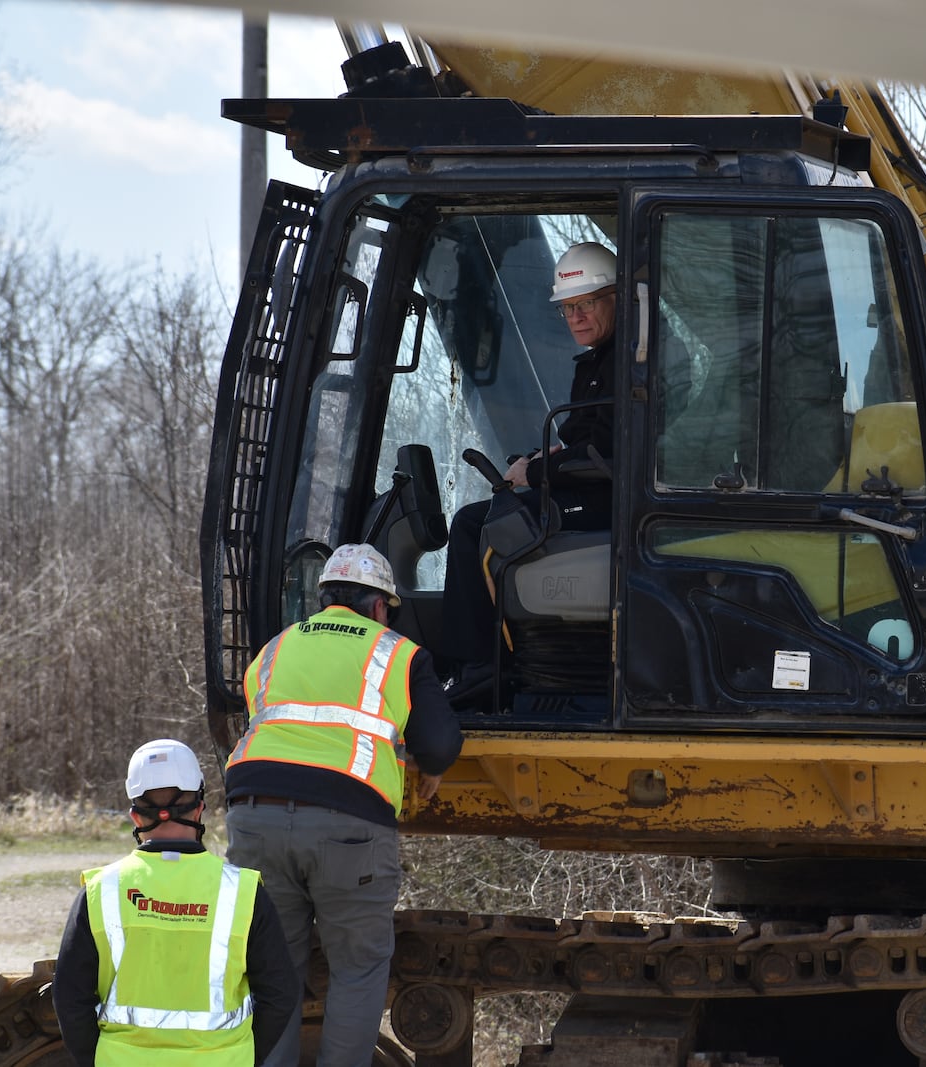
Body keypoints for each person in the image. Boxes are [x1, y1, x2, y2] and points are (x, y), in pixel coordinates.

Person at [223, 543, 465, 1067]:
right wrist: (432, 767)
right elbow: (439, 743)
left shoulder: (275, 649)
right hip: (347, 825)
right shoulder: (397, 653)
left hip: (253, 815)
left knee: (273, 971)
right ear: (379, 606)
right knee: (357, 969)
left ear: (323, 599)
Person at [52, 738, 298, 1067]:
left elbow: (69, 998)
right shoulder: (243, 892)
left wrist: (101, 1059)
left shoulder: (101, 891)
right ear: (199, 808)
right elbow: (280, 995)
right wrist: (245, 1056)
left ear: (135, 817)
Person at [440, 240, 619, 684]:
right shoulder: (601, 361)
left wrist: (536, 472)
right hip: (594, 488)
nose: (576, 317)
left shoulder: (624, 365)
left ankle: (480, 667)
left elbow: (610, 457)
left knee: (476, 526)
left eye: (587, 304)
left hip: (609, 501)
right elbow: (596, 440)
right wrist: (550, 457)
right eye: (568, 307)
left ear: (615, 298)